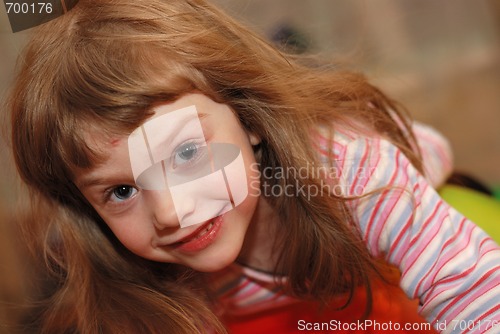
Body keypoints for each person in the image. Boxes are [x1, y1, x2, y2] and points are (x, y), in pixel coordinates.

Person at [7, 0, 499, 333]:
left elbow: (471, 285)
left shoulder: (349, 172)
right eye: (120, 192)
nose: (172, 212)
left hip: (411, 186)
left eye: (184, 153)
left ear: (249, 119)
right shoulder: (141, 261)